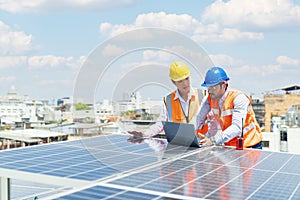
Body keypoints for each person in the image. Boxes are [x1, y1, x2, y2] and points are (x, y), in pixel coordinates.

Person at [128, 61, 208, 138]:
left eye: (187, 78)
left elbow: (213, 121)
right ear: (173, 82)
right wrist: (144, 134)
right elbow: (161, 124)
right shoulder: (168, 101)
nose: (185, 83)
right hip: (180, 144)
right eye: (180, 81)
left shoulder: (203, 95)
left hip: (202, 145)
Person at [196, 66, 263, 149]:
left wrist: (213, 140)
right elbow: (199, 118)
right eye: (208, 87)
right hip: (230, 145)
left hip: (249, 144)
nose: (210, 91)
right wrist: (193, 137)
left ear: (223, 85)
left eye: (213, 87)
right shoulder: (209, 98)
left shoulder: (238, 98)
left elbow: (237, 127)